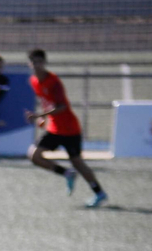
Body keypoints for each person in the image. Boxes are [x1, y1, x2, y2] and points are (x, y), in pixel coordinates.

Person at [25, 49, 106, 208]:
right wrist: (43, 118)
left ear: (45, 63)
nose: (37, 65)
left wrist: (39, 115)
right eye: (34, 62)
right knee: (34, 155)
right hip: (54, 129)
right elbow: (46, 102)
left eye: (39, 62)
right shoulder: (33, 81)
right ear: (29, 64)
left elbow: (61, 106)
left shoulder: (54, 82)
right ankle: (67, 173)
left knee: (78, 163)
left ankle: (99, 193)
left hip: (69, 129)